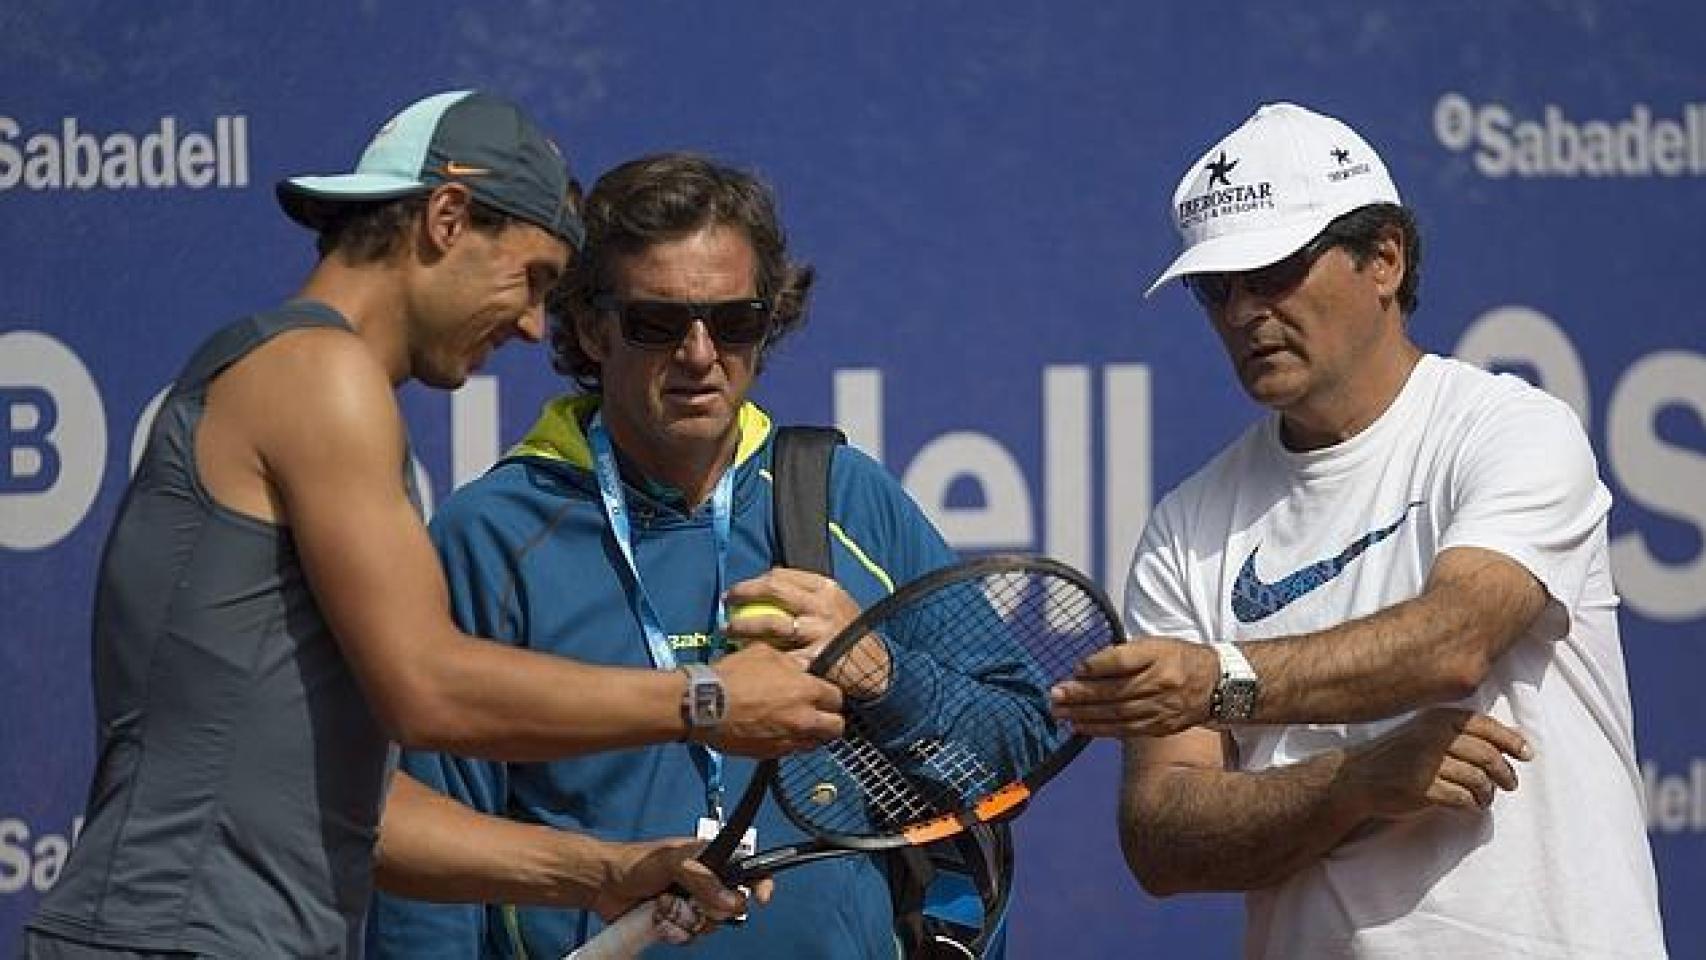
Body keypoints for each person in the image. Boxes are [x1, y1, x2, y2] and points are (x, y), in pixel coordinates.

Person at [23, 91, 844, 960]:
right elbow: (430, 689)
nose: (535, 325)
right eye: (530, 279)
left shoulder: (313, 385)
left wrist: (600, 871)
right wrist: (708, 700)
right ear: (447, 219)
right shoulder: (317, 371)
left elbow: (361, 813)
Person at [366, 152, 1042, 959]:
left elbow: (1017, 747)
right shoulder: (493, 534)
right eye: (658, 323)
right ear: (590, 327)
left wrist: (879, 672)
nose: (698, 354)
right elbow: (428, 879)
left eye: (734, 322)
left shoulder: (847, 497)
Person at [1049, 102, 1667, 957]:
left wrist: (1217, 680)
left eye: (1273, 272)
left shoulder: (1511, 429)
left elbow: (1453, 640)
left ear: (1384, 259)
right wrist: (1354, 785)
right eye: (1216, 289)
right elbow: (1161, 838)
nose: (1241, 313)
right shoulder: (1187, 525)